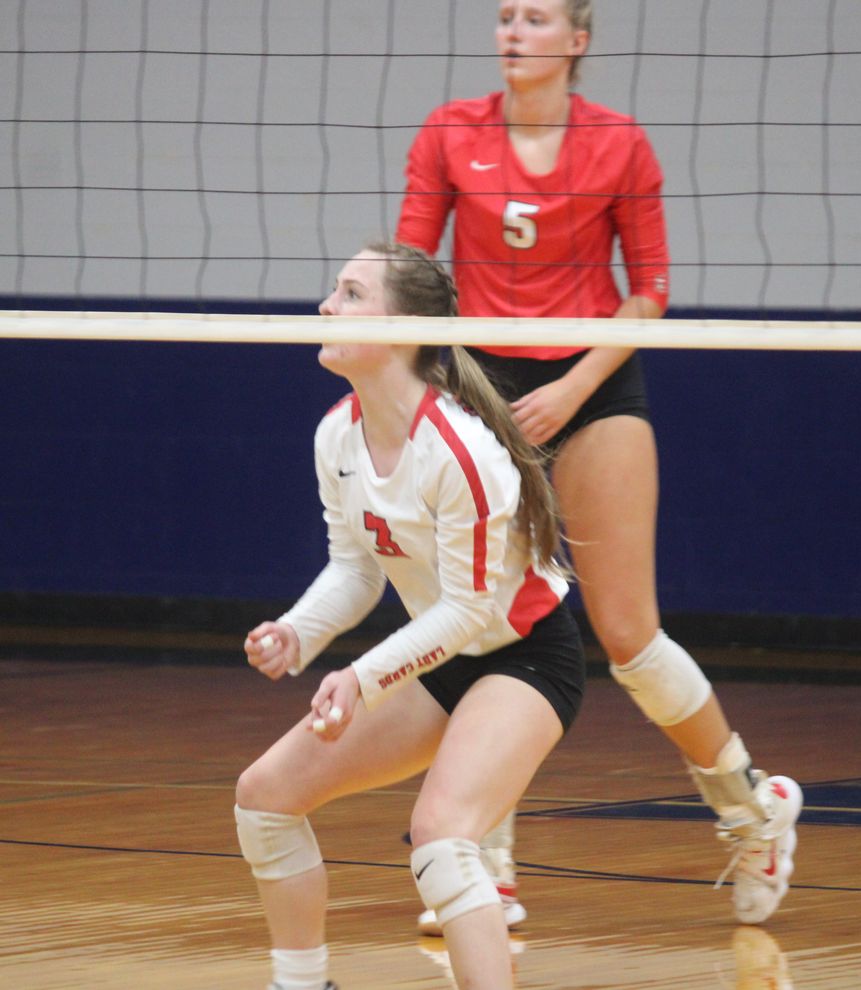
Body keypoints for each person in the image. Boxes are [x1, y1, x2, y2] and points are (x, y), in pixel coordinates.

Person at [396, 0, 801, 933]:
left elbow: (650, 290)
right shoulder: (450, 131)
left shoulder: (620, 144)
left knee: (628, 635)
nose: (512, 31)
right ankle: (481, 853)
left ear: (577, 43)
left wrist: (573, 390)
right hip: (478, 382)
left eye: (535, 18)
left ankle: (754, 810)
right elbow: (415, 270)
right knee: (479, 621)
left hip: (592, 379)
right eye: (504, 17)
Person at [234, 242, 586, 990]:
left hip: (523, 658)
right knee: (264, 799)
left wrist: (361, 675)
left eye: (352, 294)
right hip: (440, 660)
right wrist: (299, 631)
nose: (327, 307)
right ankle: (301, 984)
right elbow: (357, 567)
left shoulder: (460, 451)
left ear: (406, 327)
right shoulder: (338, 434)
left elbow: (468, 611)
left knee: (442, 838)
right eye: (335, 291)